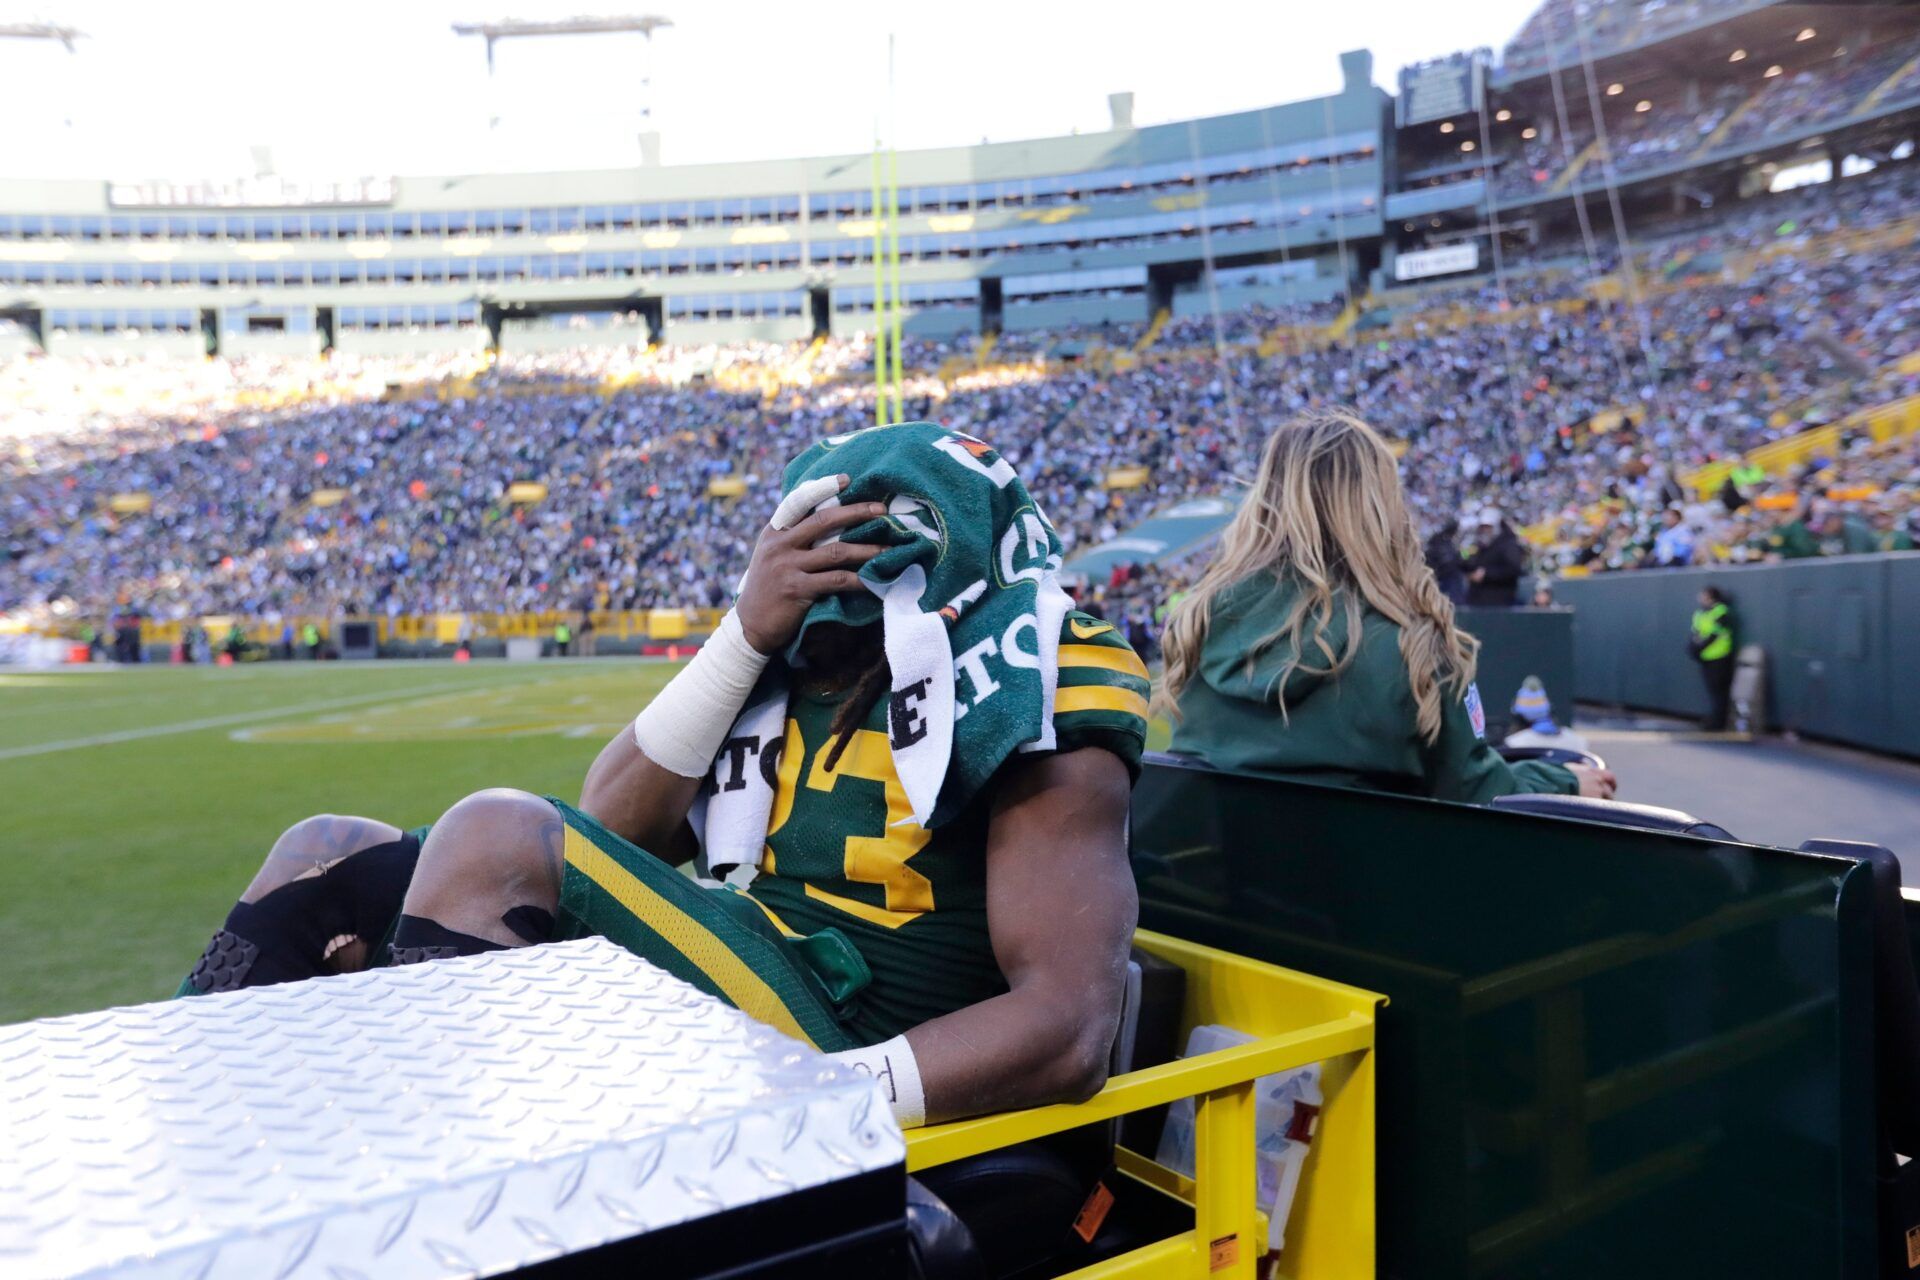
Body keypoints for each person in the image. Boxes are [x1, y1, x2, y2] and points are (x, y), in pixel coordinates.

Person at [177, 423, 1151, 1130]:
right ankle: (197, 1125)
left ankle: (424, 1180)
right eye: (802, 544)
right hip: (756, 962)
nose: (824, 571)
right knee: (326, 852)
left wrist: (835, 1099)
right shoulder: (795, 666)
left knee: (495, 829)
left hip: (859, 1029)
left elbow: (1068, 1025)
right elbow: (615, 825)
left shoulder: (1039, 668)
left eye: (850, 547)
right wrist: (745, 632)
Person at [1159, 409, 1615, 803]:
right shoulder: (1412, 646)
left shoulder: (1199, 625)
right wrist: (1563, 782)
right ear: (1381, 508)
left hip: (1224, 899)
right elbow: (1478, 794)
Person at [1690, 585, 1736, 731]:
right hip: (1705, 657)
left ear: (1710, 596)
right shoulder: (1700, 613)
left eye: (1703, 595)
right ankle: (1713, 720)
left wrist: (1701, 647)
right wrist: (1694, 648)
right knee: (1712, 690)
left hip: (1720, 656)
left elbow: (1716, 633)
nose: (1700, 598)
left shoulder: (1721, 611)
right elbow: (1696, 633)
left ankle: (1719, 722)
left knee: (1720, 692)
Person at [1464, 509, 1525, 607]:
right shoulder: (1481, 544)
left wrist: (1486, 574)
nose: (1484, 530)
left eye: (1488, 527)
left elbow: (1513, 569)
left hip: (1499, 601)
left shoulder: (1508, 544)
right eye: (1482, 527)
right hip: (1478, 599)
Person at [1424, 518, 1469, 604]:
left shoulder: (1452, 543)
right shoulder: (1439, 542)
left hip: (1450, 579)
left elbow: (1462, 558)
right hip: (1443, 578)